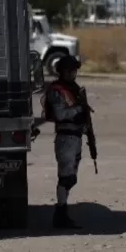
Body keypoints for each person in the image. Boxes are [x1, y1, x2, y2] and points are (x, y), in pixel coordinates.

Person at [44, 55, 90, 229]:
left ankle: (62, 211)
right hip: (65, 137)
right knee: (65, 177)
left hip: (76, 137)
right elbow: (60, 115)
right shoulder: (57, 90)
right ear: (61, 71)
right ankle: (60, 213)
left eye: (74, 70)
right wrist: (79, 109)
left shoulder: (74, 88)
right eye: (69, 70)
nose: (72, 73)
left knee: (71, 178)